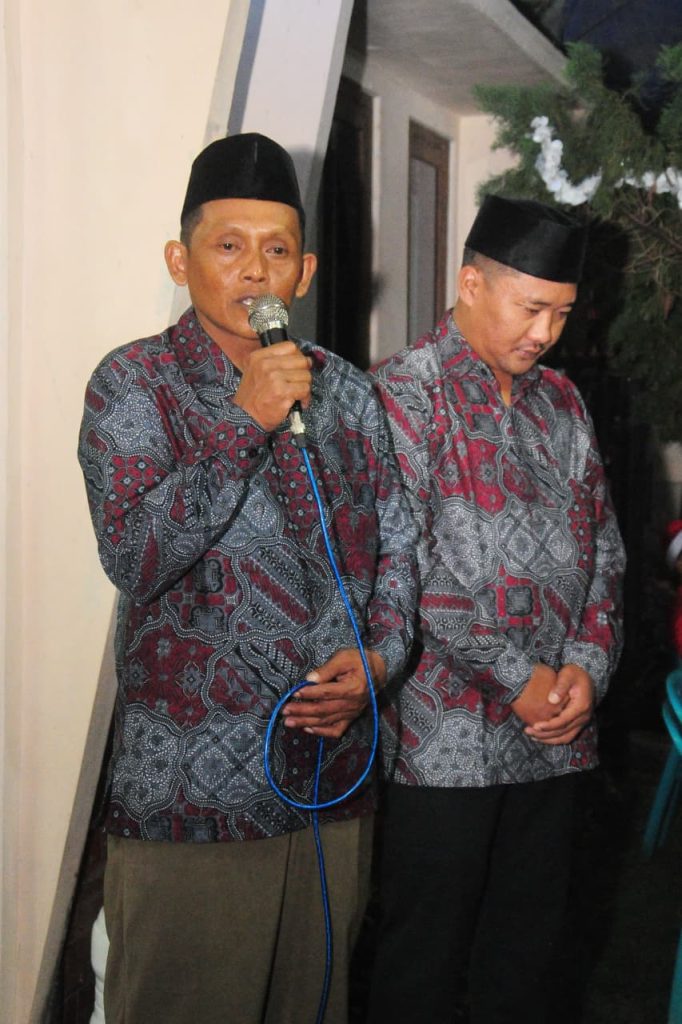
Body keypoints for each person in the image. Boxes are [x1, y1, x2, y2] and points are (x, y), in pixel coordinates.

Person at [77, 132, 417, 1024]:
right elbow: (135, 555)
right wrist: (243, 421)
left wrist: (378, 662)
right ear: (179, 259)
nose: (255, 270)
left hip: (331, 783)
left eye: (277, 250)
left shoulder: (349, 392)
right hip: (193, 803)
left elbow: (398, 547)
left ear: (304, 273)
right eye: (228, 245)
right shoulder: (134, 384)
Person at [366, 195, 626, 1024]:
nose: (546, 332)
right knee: (423, 960)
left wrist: (587, 666)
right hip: (441, 743)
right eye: (532, 307)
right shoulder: (402, 394)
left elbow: (606, 547)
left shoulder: (564, 404)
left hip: (555, 736)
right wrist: (518, 679)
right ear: (471, 284)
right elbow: (409, 566)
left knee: (528, 958)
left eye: (563, 313)